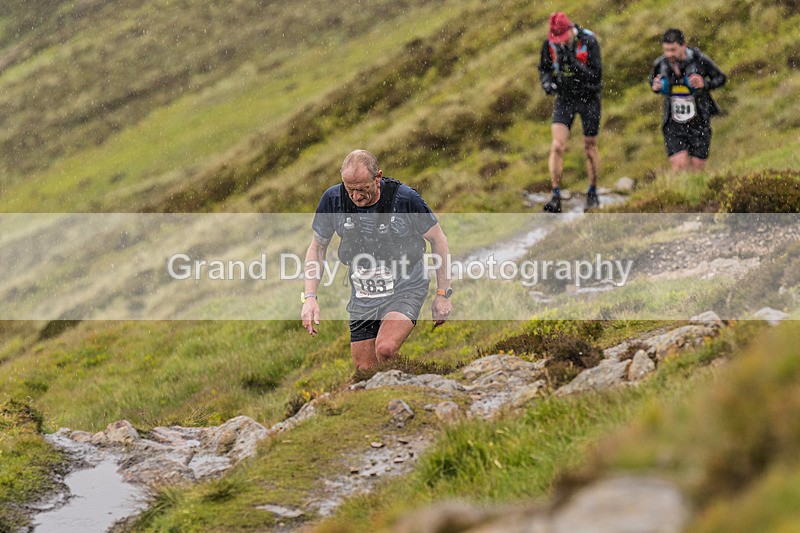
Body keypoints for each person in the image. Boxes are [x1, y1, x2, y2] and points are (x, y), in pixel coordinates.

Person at [301, 150, 453, 370]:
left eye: (363, 189)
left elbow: (438, 240)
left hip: (406, 288)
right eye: (350, 189)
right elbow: (317, 247)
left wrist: (443, 293)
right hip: (364, 296)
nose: (356, 196)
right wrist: (310, 298)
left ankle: (417, 383)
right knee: (365, 370)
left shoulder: (405, 199)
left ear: (378, 177)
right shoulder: (333, 200)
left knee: (385, 349)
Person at [538, 11, 603, 213]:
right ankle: (555, 195)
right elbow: (544, 68)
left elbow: (596, 75)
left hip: (589, 98)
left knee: (589, 146)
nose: (560, 41)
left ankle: (593, 191)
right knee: (557, 146)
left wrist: (573, 63)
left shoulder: (588, 41)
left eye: (562, 37)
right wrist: (547, 83)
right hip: (565, 98)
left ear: (570, 30)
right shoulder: (549, 44)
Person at [649, 29, 727, 172]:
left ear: (683, 46)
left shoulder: (700, 60)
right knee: (680, 167)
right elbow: (652, 81)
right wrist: (655, 86)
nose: (669, 54)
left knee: (697, 171)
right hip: (673, 123)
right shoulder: (660, 64)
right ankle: (678, 193)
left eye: (673, 50)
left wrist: (705, 83)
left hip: (699, 121)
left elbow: (721, 78)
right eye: (666, 50)